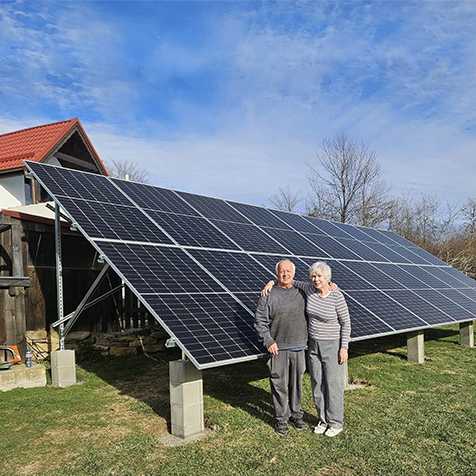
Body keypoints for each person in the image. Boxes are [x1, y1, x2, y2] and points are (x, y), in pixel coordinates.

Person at [262, 261, 351, 437]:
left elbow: (346, 322)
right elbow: (289, 280)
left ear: (328, 278)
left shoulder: (336, 295)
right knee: (317, 383)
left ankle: (335, 422)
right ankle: (323, 420)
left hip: (332, 344)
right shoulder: (309, 289)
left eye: (320, 276)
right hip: (312, 344)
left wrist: (344, 347)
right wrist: (271, 282)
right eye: (313, 276)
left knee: (332, 384)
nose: (316, 279)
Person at [254, 259, 308, 436]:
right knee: (278, 384)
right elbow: (260, 321)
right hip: (278, 348)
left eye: (288, 271)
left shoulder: (302, 292)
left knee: (296, 384)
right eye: (282, 271)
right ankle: (281, 419)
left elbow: (320, 287)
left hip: (299, 346)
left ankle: (296, 415)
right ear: (276, 274)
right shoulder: (268, 294)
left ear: (294, 273)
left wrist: (332, 285)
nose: (285, 274)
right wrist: (269, 341)